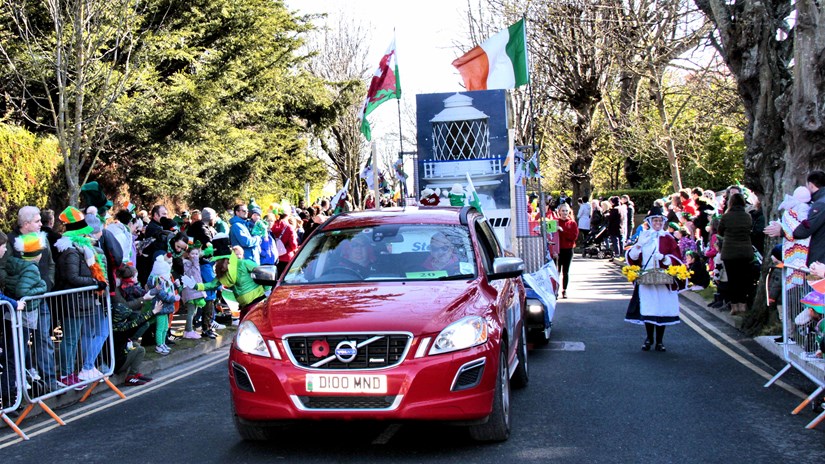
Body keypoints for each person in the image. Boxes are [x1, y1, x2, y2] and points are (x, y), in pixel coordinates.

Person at [3, 206, 59, 392]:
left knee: (45, 338)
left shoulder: (42, 239)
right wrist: (22, 289)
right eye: (37, 221)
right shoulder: (10, 242)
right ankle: (20, 382)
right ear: (26, 224)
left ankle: (49, 381)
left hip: (42, 297)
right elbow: (5, 271)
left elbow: (50, 264)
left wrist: (47, 284)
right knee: (20, 343)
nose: (41, 224)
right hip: (22, 302)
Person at [54, 206, 109, 388]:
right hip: (73, 301)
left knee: (74, 338)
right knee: (69, 339)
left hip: (80, 301)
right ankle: (65, 374)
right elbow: (72, 277)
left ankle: (71, 373)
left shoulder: (78, 248)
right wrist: (94, 282)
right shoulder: (70, 250)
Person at [625, 205, 682, 352]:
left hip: (663, 278)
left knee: (661, 309)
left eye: (659, 221)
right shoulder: (644, 236)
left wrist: (665, 258)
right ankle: (649, 338)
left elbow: (677, 258)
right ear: (650, 222)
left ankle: (660, 341)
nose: (657, 223)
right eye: (655, 221)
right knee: (649, 308)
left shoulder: (668, 238)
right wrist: (638, 247)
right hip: (647, 278)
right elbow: (632, 258)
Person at [184, 233, 266, 321]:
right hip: (245, 307)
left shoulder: (244, 263)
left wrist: (267, 290)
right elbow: (212, 284)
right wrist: (196, 286)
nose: (217, 263)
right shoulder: (223, 272)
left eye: (218, 260)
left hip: (257, 304)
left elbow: (263, 272)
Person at [718, 193, 753, 316]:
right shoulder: (747, 216)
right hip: (745, 251)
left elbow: (720, 231)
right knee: (743, 279)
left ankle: (734, 306)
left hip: (730, 252)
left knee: (732, 280)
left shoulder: (726, 217)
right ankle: (743, 305)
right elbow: (750, 229)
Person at [146, 254, 180, 355]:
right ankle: (159, 345)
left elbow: (168, 289)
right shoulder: (157, 281)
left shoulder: (163, 280)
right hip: (160, 307)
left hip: (165, 308)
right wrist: (174, 298)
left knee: (165, 327)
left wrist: (175, 285)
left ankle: (163, 343)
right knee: (160, 328)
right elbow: (163, 295)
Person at [556, 203, 579, 299]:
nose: (565, 213)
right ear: (559, 212)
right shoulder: (556, 222)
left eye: (566, 211)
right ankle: (555, 290)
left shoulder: (572, 223)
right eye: (563, 211)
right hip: (558, 250)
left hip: (568, 249)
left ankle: (564, 290)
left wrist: (562, 231)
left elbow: (573, 237)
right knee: (557, 271)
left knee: (566, 271)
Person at [271, 212, 298, 277]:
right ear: (287, 216)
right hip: (286, 257)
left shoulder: (272, 226)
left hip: (274, 257)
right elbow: (293, 245)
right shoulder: (289, 227)